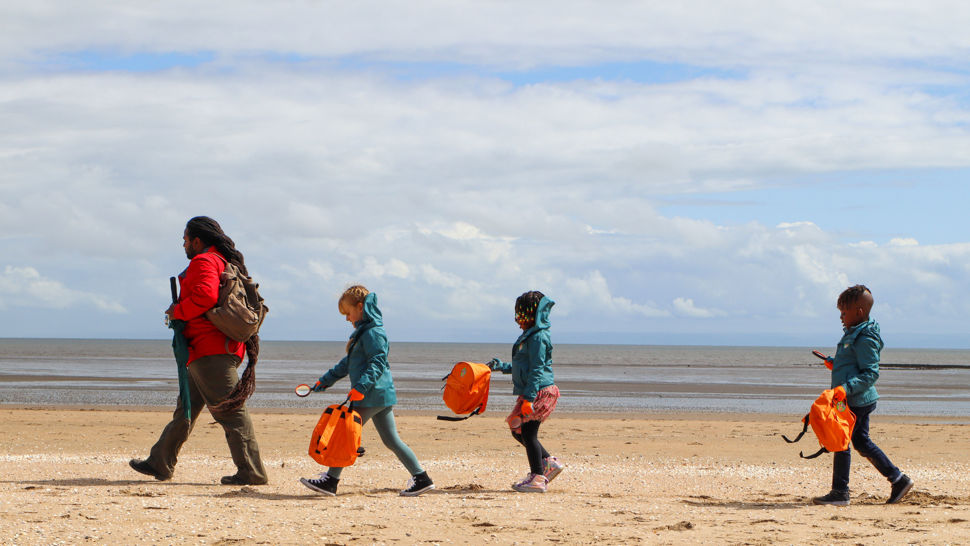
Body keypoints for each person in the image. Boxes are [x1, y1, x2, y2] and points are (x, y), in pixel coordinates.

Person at [129, 216, 268, 485]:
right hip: (209, 350)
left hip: (210, 351)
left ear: (197, 240)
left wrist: (177, 311)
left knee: (231, 411)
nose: (183, 245)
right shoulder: (222, 261)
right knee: (186, 410)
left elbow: (205, 297)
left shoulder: (204, 261)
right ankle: (160, 461)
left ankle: (252, 472)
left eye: (185, 239)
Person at [299, 285, 434, 497]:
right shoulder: (364, 333)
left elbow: (378, 363)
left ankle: (331, 481)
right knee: (391, 440)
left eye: (348, 312)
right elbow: (347, 364)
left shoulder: (373, 332)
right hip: (380, 394)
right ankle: (421, 478)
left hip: (371, 394)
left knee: (343, 434)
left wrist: (360, 388)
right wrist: (323, 382)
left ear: (360, 307)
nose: (346, 318)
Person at [812, 284, 913, 506]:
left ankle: (840, 493)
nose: (840, 317)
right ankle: (898, 479)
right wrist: (834, 362)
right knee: (861, 441)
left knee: (841, 442)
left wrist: (845, 388)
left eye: (844, 312)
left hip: (855, 400)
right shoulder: (854, 333)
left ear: (858, 312)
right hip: (848, 400)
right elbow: (852, 363)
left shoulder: (865, 337)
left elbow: (870, 373)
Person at [488, 290, 563, 493]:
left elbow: (537, 370)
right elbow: (523, 367)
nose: (517, 320)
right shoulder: (529, 336)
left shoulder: (538, 337)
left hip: (540, 391)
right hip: (533, 390)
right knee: (517, 428)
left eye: (521, 315)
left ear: (532, 315)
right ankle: (548, 462)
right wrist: (500, 366)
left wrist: (529, 399)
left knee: (529, 433)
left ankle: (537, 477)